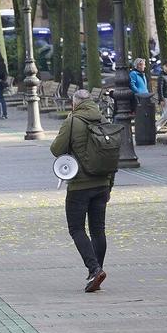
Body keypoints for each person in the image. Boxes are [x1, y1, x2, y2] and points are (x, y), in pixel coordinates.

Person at [50, 87, 120, 291]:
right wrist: (109, 185)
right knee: (98, 230)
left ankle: (94, 269)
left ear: (75, 103)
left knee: (76, 228)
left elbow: (56, 149)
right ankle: (97, 272)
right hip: (102, 183)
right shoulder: (103, 120)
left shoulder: (72, 121)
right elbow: (111, 155)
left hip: (79, 185)